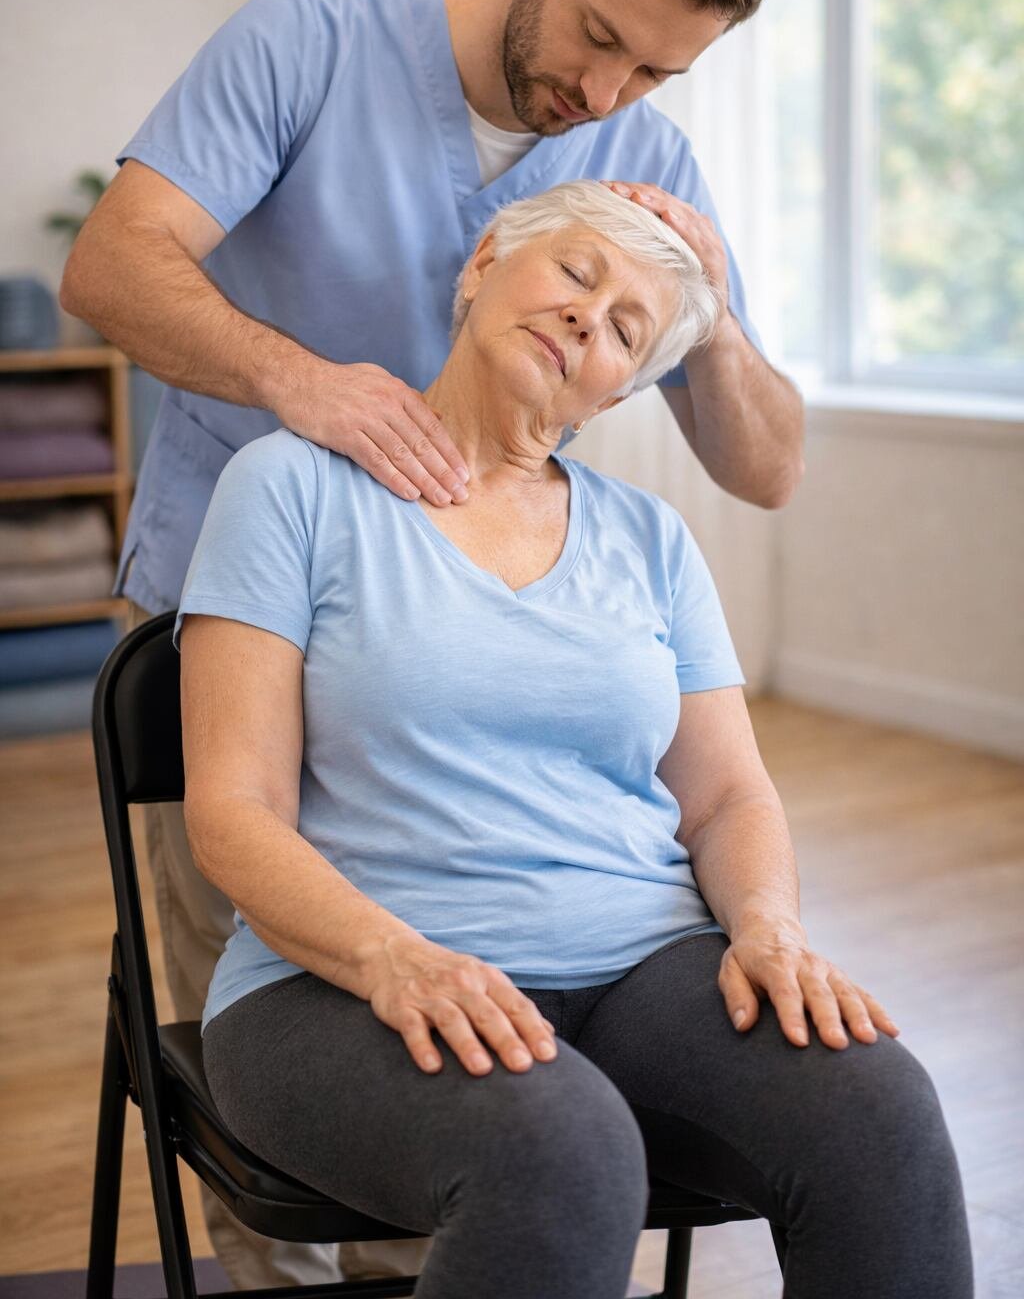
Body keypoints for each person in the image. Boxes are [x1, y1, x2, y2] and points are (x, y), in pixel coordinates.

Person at [62, 0, 807, 1288]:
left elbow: (766, 466)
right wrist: (300, 381)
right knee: (285, 1073)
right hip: (254, 608)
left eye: (655, 73)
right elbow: (111, 263)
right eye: (600, 38)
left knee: (472, 1124)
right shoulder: (312, 40)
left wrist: (711, 316)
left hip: (475, 657)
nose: (605, 96)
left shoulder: (642, 155)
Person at [177, 181, 971, 1299]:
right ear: (483, 266)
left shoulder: (651, 538)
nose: (587, 319)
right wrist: (393, 958)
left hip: (644, 967)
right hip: (344, 980)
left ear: (620, 391)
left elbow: (727, 799)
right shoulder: (290, 488)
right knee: (559, 1153)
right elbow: (233, 810)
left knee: (876, 1111)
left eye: (627, 331)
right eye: (576, 274)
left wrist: (770, 929)